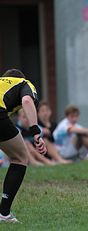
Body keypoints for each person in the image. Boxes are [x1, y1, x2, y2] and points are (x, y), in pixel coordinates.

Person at [0, 69, 46, 223]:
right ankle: (4, 213)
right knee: (19, 157)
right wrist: (35, 131)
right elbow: (27, 100)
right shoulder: (23, 83)